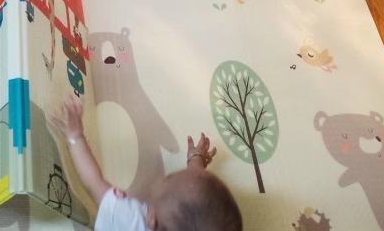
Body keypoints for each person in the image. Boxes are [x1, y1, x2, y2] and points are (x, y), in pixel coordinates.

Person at [51, 94, 243, 231]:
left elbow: (94, 183)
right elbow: (196, 203)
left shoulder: (131, 220)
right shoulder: (167, 220)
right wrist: (196, 160)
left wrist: (75, 136)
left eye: (169, 178)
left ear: (151, 218)